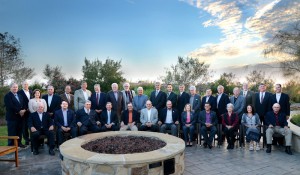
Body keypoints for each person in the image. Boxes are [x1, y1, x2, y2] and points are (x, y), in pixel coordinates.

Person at [4, 83, 26, 148]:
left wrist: (24, 110)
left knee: (19, 131)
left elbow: (24, 104)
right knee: (12, 132)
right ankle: (10, 146)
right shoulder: (7, 96)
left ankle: (19, 143)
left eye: (16, 87)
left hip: (20, 117)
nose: (15, 88)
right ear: (10, 88)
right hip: (12, 117)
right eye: (13, 87)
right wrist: (19, 111)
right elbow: (10, 106)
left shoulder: (20, 96)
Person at [17, 80, 32, 145]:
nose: (25, 85)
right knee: (24, 127)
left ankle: (33, 139)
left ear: (28, 85)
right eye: (24, 84)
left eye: (26, 84)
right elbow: (20, 102)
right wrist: (25, 109)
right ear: (22, 85)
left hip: (32, 112)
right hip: (24, 112)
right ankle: (27, 140)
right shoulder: (19, 92)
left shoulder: (31, 92)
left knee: (32, 126)